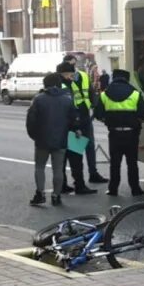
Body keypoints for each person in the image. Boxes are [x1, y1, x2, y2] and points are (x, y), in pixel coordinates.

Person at [94, 69, 144, 196]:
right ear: (127, 79)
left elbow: (98, 114)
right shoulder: (135, 94)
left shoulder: (105, 94)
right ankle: (135, 189)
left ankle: (113, 189)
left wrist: (108, 121)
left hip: (114, 133)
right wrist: (136, 122)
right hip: (131, 134)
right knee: (132, 163)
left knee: (114, 164)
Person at [26, 73, 77, 206]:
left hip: (42, 140)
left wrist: (34, 136)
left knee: (39, 167)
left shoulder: (38, 99)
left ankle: (40, 194)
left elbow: (31, 121)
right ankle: (56, 195)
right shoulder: (68, 99)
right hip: (61, 140)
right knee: (58, 169)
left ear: (45, 84)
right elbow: (74, 120)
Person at [62, 54, 107, 184]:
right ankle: (79, 179)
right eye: (70, 63)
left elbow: (91, 93)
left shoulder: (82, 76)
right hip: (73, 116)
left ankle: (92, 173)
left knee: (89, 145)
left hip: (85, 115)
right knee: (77, 148)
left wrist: (94, 107)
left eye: (74, 63)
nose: (73, 66)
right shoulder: (64, 79)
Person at [56, 61, 97, 195]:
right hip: (71, 126)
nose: (72, 76)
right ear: (64, 74)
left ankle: (64, 185)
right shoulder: (63, 86)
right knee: (75, 157)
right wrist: (77, 124)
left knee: (66, 157)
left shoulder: (68, 83)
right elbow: (70, 108)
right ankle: (78, 185)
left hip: (70, 125)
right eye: (70, 74)